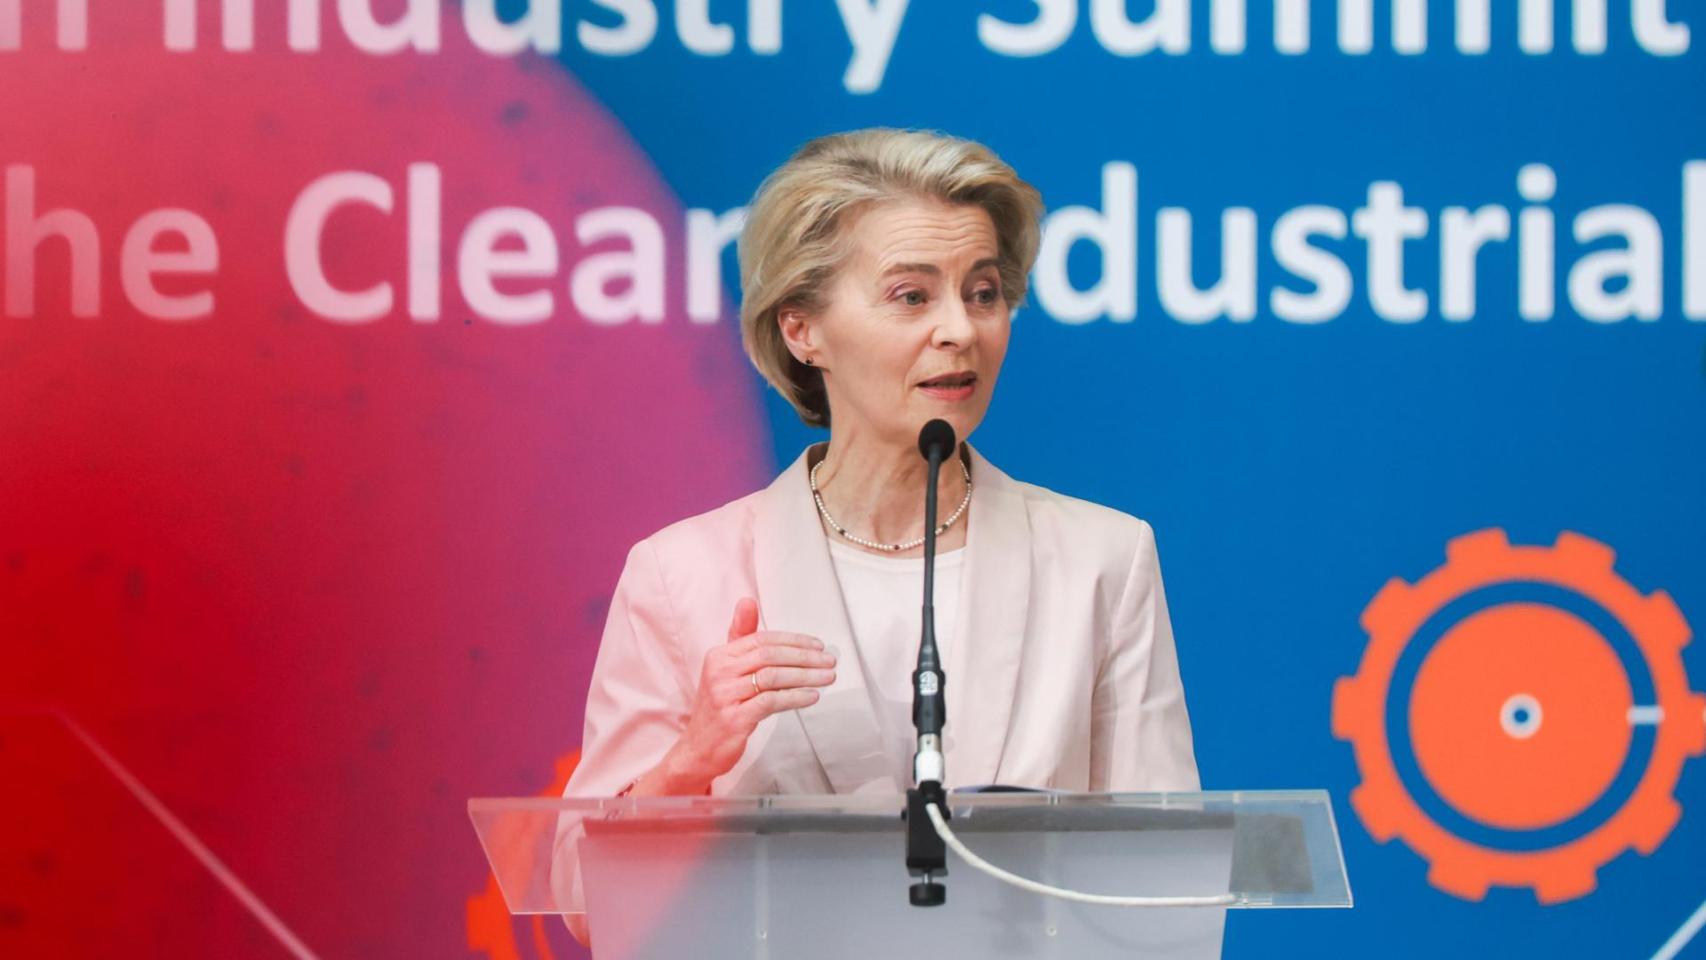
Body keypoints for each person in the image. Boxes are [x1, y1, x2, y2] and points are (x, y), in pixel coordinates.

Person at [563, 126, 1199, 802]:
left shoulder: (1103, 561)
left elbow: (1165, 852)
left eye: (983, 293)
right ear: (802, 330)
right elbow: (584, 868)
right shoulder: (680, 575)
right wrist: (690, 762)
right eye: (911, 296)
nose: (960, 329)